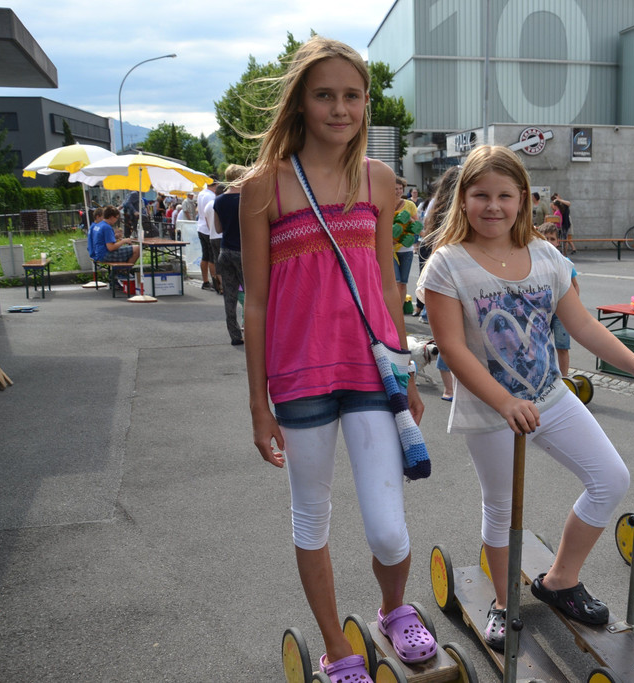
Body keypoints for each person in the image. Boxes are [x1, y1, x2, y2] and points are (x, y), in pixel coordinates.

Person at [418, 145, 634, 652]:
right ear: (462, 200)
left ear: (523, 199)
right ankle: (503, 602)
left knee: (611, 478)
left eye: (505, 195)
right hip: (492, 410)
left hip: (550, 396)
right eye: (481, 195)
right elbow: (453, 348)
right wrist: (503, 402)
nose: (493, 206)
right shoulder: (447, 264)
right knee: (502, 507)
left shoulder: (547, 256)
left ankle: (559, 580)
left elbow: (582, 324)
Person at [238, 36, 431, 682]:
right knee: (311, 518)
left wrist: (405, 370)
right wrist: (258, 404)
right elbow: (256, 303)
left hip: (372, 371)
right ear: (300, 101)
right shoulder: (264, 187)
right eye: (325, 95)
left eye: (352, 95)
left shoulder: (379, 179)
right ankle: (336, 647)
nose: (340, 108)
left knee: (389, 531)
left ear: (366, 102)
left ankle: (393, 609)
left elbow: (387, 284)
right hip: (299, 378)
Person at [418, 165, 463, 398]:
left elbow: (428, 235)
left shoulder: (435, 204)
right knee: (454, 336)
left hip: (439, 268)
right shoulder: (456, 205)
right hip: (454, 270)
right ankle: (451, 387)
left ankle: (449, 387)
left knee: (447, 335)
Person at [214, 164, 249, 346]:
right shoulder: (247, 199)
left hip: (225, 251)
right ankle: (252, 331)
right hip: (244, 251)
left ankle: (235, 335)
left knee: (230, 296)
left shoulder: (219, 200)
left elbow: (218, 228)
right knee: (251, 295)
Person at [538, 222, 579, 374]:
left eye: (552, 239)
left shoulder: (564, 262)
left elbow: (575, 286)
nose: (549, 242)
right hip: (543, 310)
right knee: (541, 346)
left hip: (561, 312)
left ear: (557, 242)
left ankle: (565, 378)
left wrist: (572, 306)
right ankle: (546, 374)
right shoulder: (535, 263)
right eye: (545, 239)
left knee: (562, 347)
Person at [392, 176, 418, 307]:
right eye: (395, 189)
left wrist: (410, 220)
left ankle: (400, 310)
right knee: (395, 282)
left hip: (406, 248)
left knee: (403, 283)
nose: (398, 191)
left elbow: (417, 225)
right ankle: (393, 309)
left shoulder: (410, 205)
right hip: (390, 249)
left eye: (400, 188)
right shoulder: (385, 203)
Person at [196, 179, 221, 292]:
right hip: (209, 229)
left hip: (200, 227)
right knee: (212, 258)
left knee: (205, 255)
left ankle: (205, 281)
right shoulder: (211, 196)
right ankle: (216, 283)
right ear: (215, 185)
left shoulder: (201, 193)